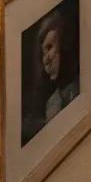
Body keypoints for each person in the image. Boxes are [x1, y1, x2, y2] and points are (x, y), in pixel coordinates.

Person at [21, 9, 78, 146]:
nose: (46, 60)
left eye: (50, 47)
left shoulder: (81, 86)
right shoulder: (52, 102)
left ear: (64, 45)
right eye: (43, 53)